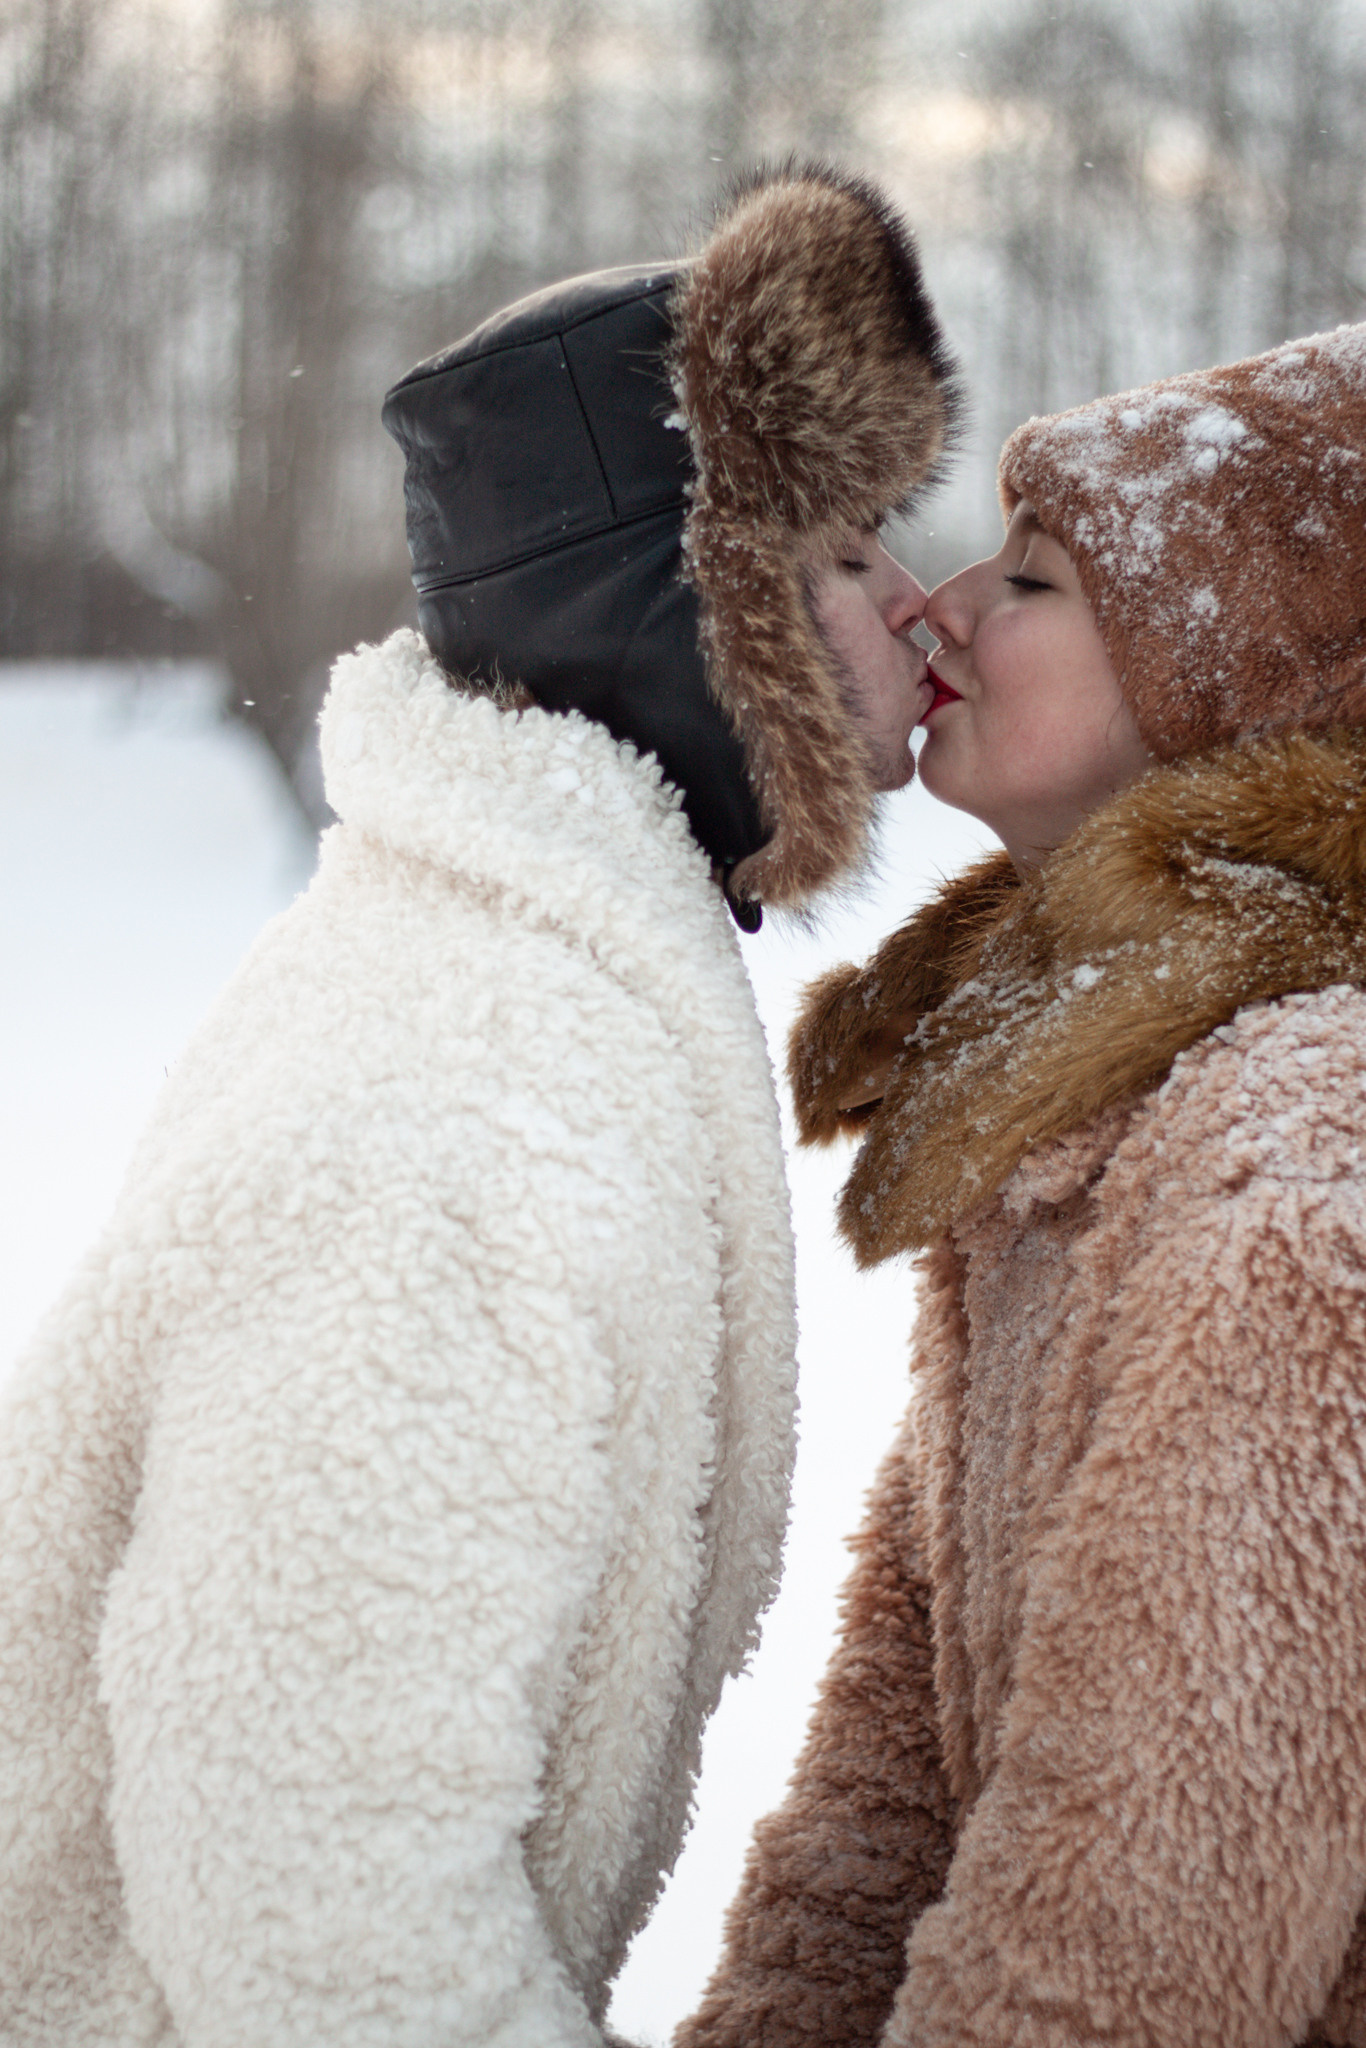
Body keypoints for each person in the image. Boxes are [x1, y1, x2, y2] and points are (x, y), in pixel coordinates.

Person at [0, 163, 959, 2047]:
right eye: (844, 553)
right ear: (694, 621)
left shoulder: (519, 966)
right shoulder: (479, 1109)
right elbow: (317, 1894)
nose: (915, 605)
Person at [678, 322, 1366, 2048]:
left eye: (1037, 580)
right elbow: (890, 1788)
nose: (939, 605)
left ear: (1241, 681)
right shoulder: (1078, 1105)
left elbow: (1139, 1909)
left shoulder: (1294, 1162)